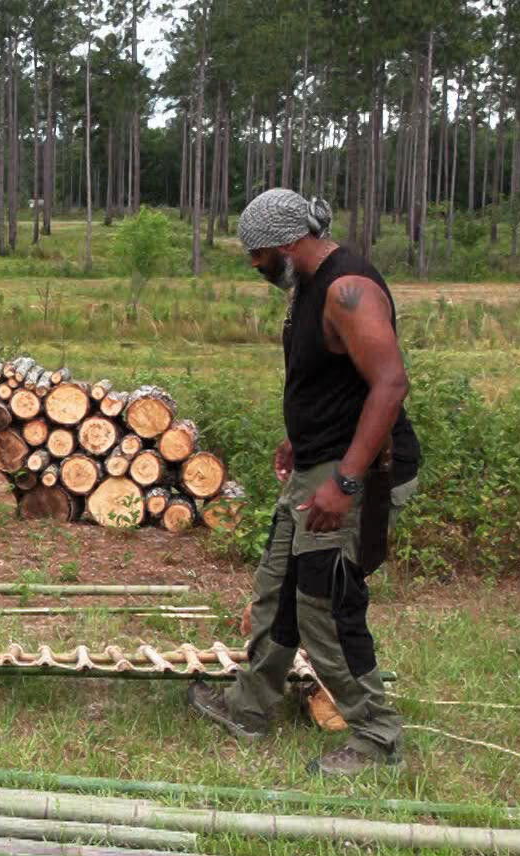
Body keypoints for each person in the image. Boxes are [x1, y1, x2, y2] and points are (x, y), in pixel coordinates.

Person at [190, 188, 420, 777]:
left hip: (354, 472)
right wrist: (301, 436)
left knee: (326, 602)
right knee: (278, 587)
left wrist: (345, 482)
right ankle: (248, 708)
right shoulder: (309, 287)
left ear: (291, 243)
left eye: (259, 253)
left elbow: (389, 385)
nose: (255, 264)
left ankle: (377, 736)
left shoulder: (350, 290)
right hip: (318, 462)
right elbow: (333, 379)